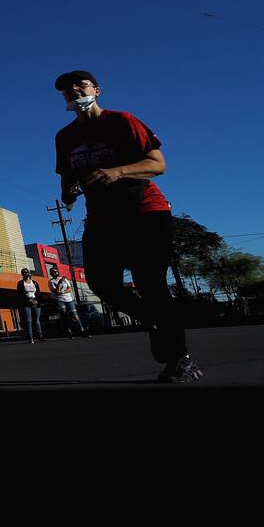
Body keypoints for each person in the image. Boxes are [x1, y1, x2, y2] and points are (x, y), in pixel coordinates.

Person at [53, 70, 203, 383]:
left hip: (145, 212)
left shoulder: (122, 121)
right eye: (66, 90)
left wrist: (118, 172)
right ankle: (154, 321)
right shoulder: (64, 137)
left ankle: (180, 360)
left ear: (97, 89)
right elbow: (67, 179)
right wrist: (68, 194)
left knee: (151, 283)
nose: (73, 91)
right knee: (100, 282)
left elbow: (157, 164)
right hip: (101, 219)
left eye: (80, 85)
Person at [48, 266, 89, 338]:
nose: (55, 272)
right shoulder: (51, 281)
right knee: (64, 316)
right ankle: (69, 332)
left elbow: (69, 288)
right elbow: (56, 292)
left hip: (69, 299)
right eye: (53, 272)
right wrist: (59, 283)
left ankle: (82, 331)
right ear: (51, 274)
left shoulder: (64, 279)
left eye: (56, 271)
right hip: (60, 300)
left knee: (75, 315)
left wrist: (63, 290)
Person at [15, 269, 44, 343]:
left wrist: (37, 301)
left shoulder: (34, 282)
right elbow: (20, 294)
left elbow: (38, 293)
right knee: (29, 320)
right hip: (26, 303)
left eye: (26, 272)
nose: (25, 273)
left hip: (36, 302)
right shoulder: (20, 283)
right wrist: (28, 300)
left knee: (37, 320)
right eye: (24, 273)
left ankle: (40, 337)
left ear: (29, 273)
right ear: (22, 274)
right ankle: (30, 338)